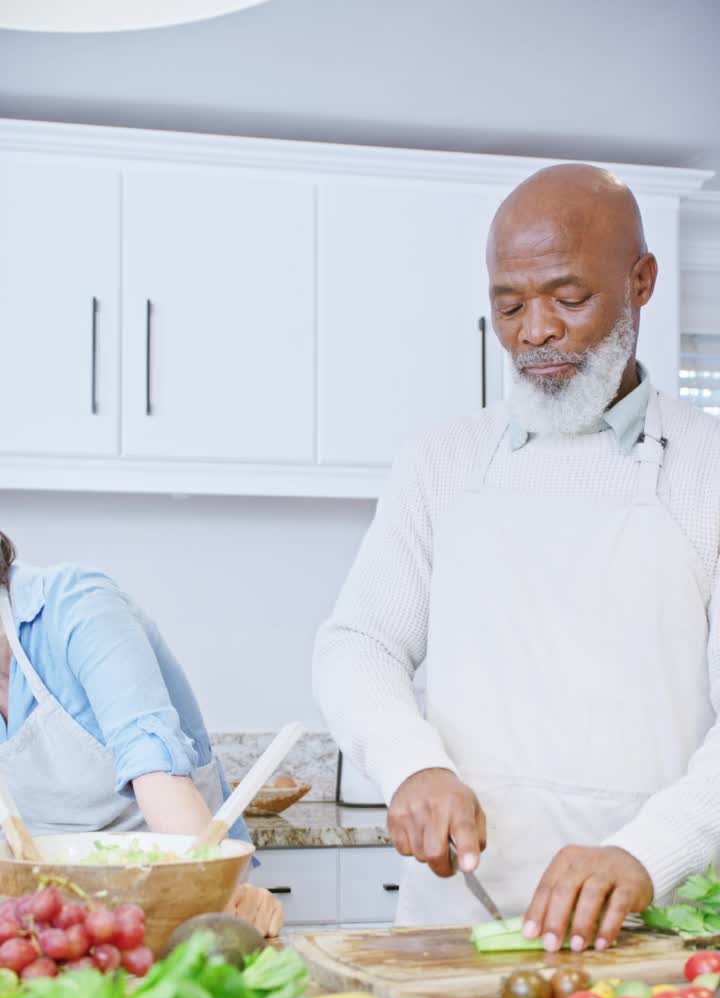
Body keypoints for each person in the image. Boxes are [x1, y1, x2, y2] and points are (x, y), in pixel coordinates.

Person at [314, 163, 720, 953]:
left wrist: (648, 852)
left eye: (568, 299)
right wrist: (408, 765)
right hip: (453, 916)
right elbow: (358, 643)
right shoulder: (440, 463)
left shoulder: (710, 468)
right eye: (509, 305)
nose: (534, 330)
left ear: (641, 282)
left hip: (654, 922)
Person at [0, 533, 282, 936]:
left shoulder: (77, 606)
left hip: (171, 889)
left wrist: (212, 896)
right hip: (55, 920)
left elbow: (155, 770)